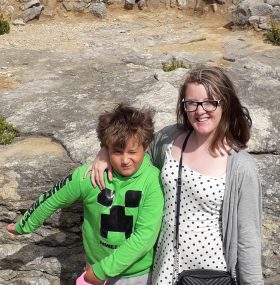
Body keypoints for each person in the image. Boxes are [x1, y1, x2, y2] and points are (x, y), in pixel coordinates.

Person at [86, 66, 263, 284]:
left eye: (210, 102)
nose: (200, 111)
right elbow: (130, 147)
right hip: (165, 269)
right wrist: (104, 150)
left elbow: (248, 239)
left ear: (224, 104)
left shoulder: (241, 166)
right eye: (191, 103)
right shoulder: (169, 140)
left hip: (210, 274)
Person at [7, 103, 164, 285]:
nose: (125, 160)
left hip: (137, 275)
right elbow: (53, 198)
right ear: (106, 148)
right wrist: (25, 224)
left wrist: (102, 270)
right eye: (117, 152)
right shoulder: (88, 176)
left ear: (146, 147)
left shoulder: (153, 181)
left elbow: (145, 236)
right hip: (94, 268)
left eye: (132, 152)